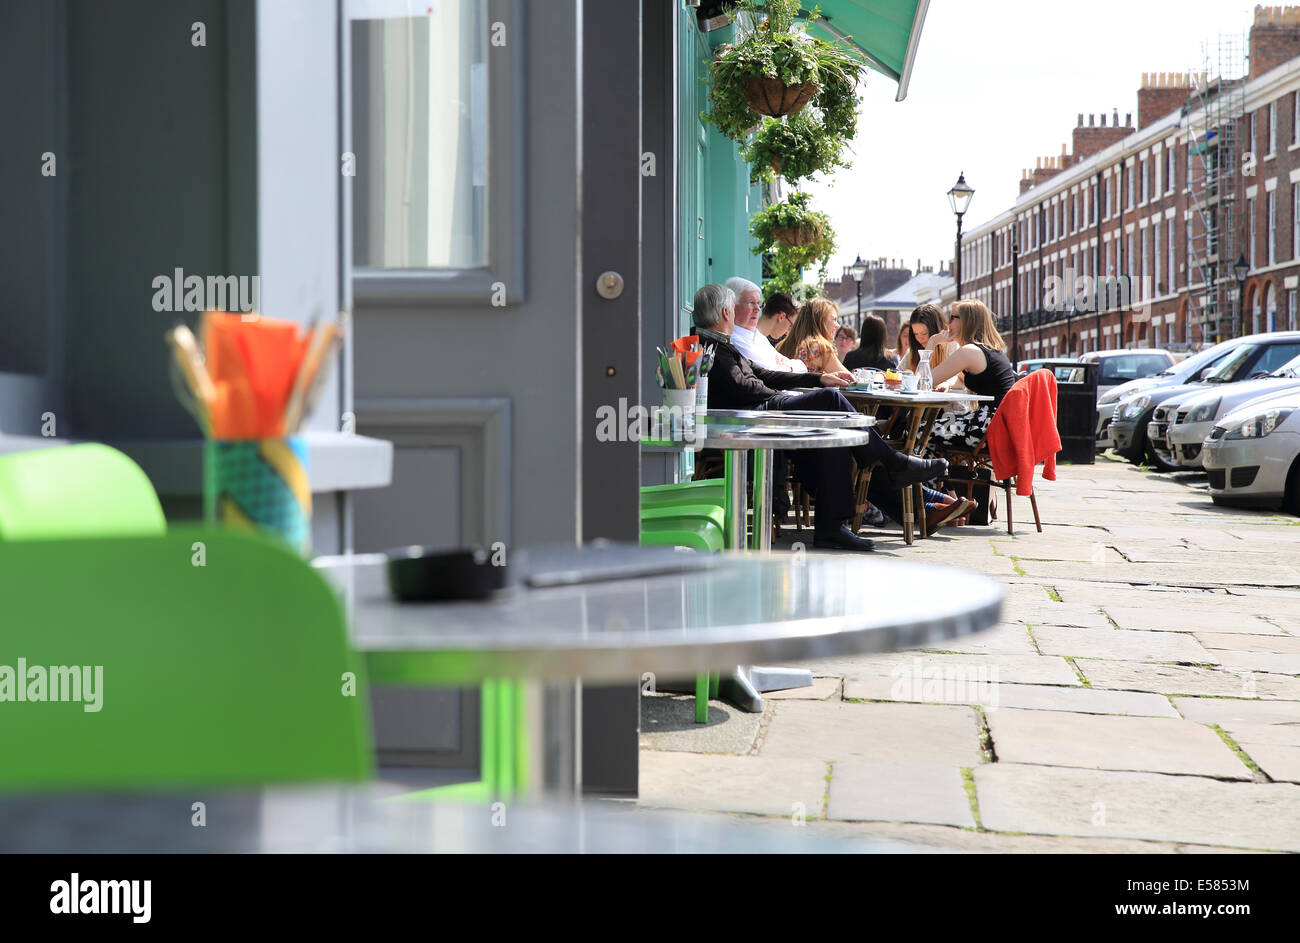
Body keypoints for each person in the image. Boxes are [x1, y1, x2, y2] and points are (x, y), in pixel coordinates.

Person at [690, 284, 949, 551]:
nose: (735, 314)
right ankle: (892, 464)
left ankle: (831, 527)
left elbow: (762, 375)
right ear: (724, 312)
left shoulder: (720, 344)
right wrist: (786, 394)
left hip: (761, 412)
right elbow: (744, 386)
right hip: (753, 418)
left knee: (831, 434)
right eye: (733, 310)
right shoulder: (710, 347)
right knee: (831, 399)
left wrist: (818, 378)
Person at [923, 299, 1018, 453]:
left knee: (918, 431)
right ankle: (941, 472)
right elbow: (961, 379)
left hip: (984, 429)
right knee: (929, 428)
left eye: (952, 318)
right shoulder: (987, 350)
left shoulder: (968, 352)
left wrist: (932, 342)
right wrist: (947, 383)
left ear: (966, 322)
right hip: (998, 426)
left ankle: (934, 475)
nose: (947, 323)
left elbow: (924, 381)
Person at [727, 278, 807, 373]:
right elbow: (769, 374)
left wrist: (787, 368)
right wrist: (785, 367)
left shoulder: (758, 336)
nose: (757, 309)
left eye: (759, 304)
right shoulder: (733, 339)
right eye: (751, 303)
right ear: (732, 306)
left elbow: (802, 366)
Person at [777, 297, 849, 375]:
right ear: (820, 321)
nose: (838, 325)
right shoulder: (819, 348)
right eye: (834, 319)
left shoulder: (782, 345)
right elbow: (850, 380)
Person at [900, 304, 959, 382]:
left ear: (937, 329)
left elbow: (921, 378)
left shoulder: (953, 346)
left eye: (924, 333)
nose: (920, 338)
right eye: (915, 334)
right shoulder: (912, 351)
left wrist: (932, 341)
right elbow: (897, 374)